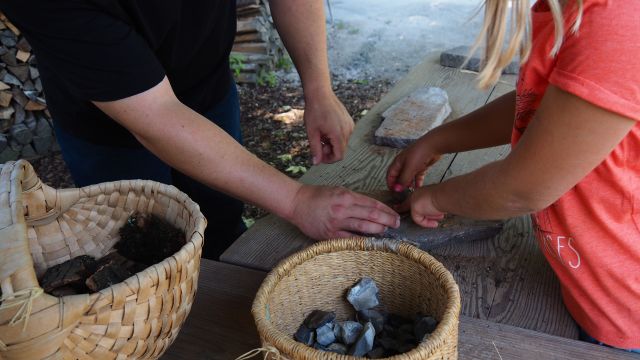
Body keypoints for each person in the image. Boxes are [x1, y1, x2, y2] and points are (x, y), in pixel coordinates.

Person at [0, 0, 401, 260]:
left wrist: (318, 89)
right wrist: (296, 201)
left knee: (222, 220)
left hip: (206, 87)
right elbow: (155, 116)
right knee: (142, 250)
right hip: (108, 128)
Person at [388, 0, 639, 352]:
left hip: (624, 312)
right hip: (589, 282)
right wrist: (440, 139)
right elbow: (543, 104)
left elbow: (523, 189)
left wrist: (434, 198)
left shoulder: (617, 20)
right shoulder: (573, 9)